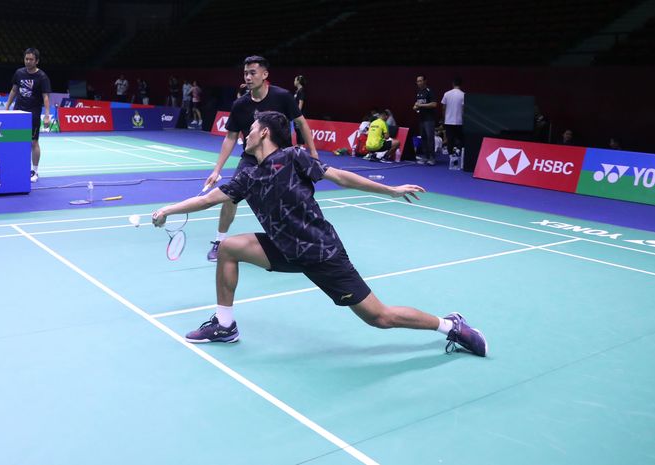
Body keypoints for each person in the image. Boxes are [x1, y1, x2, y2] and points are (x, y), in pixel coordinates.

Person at [151, 111, 488, 357]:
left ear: (265, 133)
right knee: (228, 248)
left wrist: (392, 191)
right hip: (283, 248)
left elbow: (340, 177)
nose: (245, 135)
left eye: (250, 130)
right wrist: (168, 210)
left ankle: (450, 325)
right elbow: (209, 198)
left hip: (321, 253)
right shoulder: (248, 175)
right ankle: (225, 326)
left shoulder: (294, 157)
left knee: (379, 317)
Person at [203, 55, 320, 262]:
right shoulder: (240, 104)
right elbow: (230, 137)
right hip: (250, 159)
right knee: (230, 197)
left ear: (265, 75)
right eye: (245, 73)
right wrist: (217, 169)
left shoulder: (282, 96)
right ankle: (220, 241)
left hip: (281, 158)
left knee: (291, 199)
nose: (248, 77)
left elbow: (301, 123)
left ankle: (296, 240)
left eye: (252, 73)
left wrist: (313, 153)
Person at [4, 48, 52, 183]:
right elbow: (14, 90)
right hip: (18, 112)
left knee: (33, 142)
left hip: (33, 113)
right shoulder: (19, 73)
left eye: (31, 59)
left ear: (37, 61)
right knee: (15, 141)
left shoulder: (42, 77)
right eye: (26, 59)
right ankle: (16, 168)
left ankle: (35, 171)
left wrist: (47, 115)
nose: (28, 62)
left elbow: (46, 97)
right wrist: (7, 107)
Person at [414, 75, 437, 165]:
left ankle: (432, 158)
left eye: (420, 81)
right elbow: (418, 105)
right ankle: (426, 156)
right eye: (417, 81)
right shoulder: (419, 93)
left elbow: (434, 104)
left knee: (430, 138)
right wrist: (415, 107)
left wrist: (421, 105)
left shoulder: (429, 91)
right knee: (423, 138)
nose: (418, 83)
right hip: (421, 119)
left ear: (425, 81)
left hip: (429, 119)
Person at [441, 77, 465, 160]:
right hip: (459, 121)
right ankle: (458, 151)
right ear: (461, 85)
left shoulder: (446, 94)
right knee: (460, 138)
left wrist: (444, 119)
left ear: (453, 84)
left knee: (450, 139)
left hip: (448, 120)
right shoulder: (463, 95)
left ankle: (451, 155)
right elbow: (463, 109)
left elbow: (443, 107)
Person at [293, 75, 306, 145]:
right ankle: (299, 144)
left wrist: (298, 113)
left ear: (298, 81)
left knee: (299, 129)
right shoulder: (297, 91)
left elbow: (301, 102)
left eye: (295, 80)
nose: (294, 82)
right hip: (296, 113)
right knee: (297, 129)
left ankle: (301, 145)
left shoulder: (301, 91)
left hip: (299, 113)